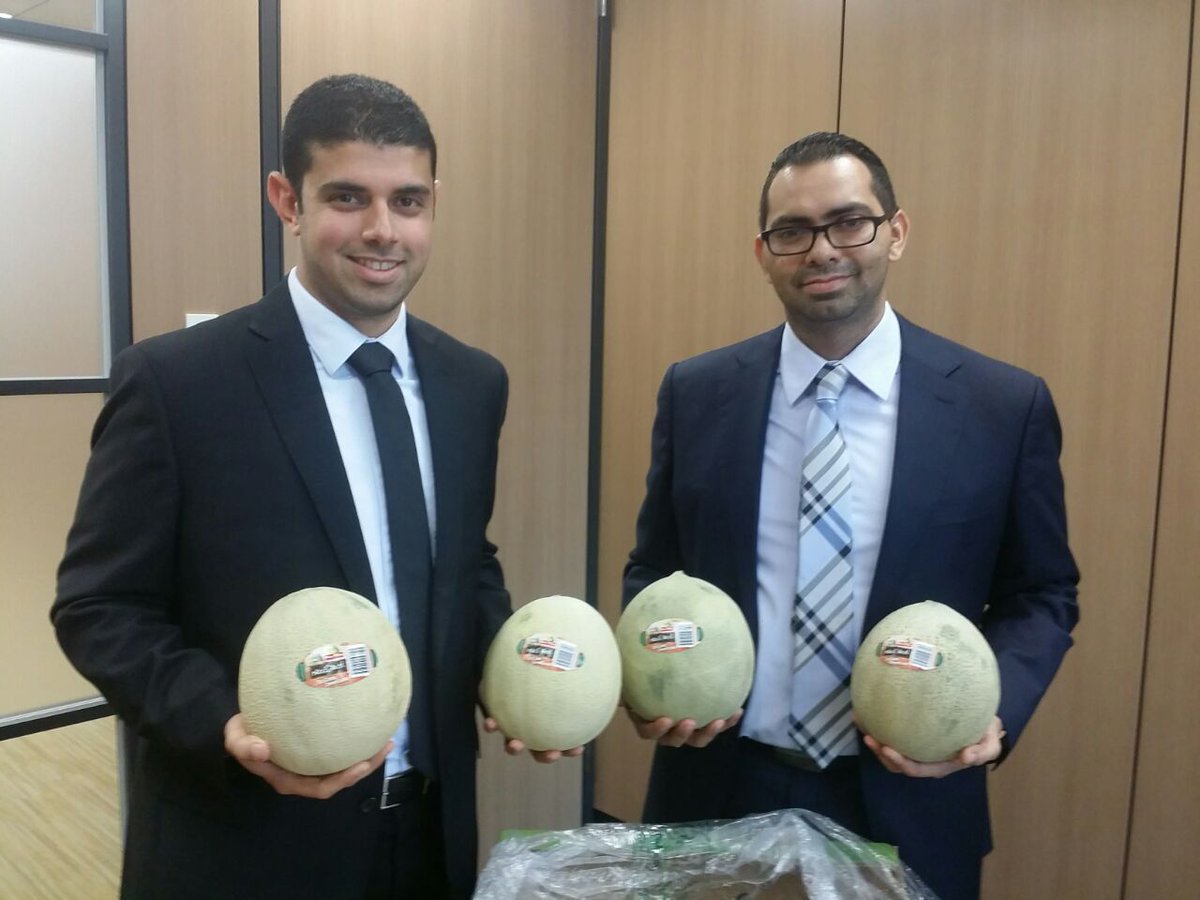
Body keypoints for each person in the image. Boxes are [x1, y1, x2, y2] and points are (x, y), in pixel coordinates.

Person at [53, 74, 570, 900]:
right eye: (347, 197)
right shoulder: (178, 384)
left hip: (428, 836)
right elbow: (99, 606)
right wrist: (223, 722)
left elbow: (464, 566)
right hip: (244, 844)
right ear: (287, 201)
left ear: (434, 203)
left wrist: (513, 680)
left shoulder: (473, 383)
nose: (382, 230)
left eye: (407, 201)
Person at [622, 131, 1079, 900]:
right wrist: (653, 681)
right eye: (792, 231)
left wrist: (986, 711)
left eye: (849, 222)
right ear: (763, 252)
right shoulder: (697, 394)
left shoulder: (1001, 407)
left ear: (895, 232)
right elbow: (655, 569)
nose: (822, 250)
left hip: (911, 798)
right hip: (718, 787)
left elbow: (1042, 592)